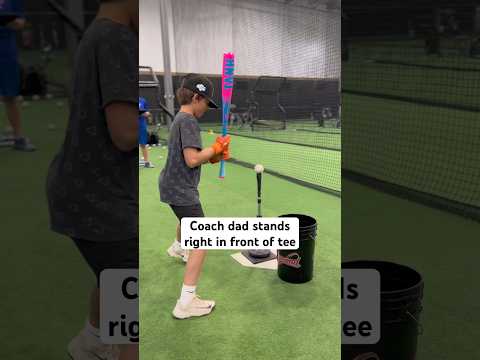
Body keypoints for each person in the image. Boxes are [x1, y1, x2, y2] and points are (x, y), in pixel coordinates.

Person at [46, 1, 139, 359]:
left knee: (113, 271)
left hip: (80, 189)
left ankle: (93, 342)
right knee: (133, 300)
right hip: (99, 200)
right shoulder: (117, 39)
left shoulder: (97, 32)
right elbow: (125, 134)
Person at [159, 74, 230, 319]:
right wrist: (215, 148)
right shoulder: (188, 120)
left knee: (187, 221)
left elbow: (193, 157)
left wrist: (216, 155)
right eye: (205, 103)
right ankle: (185, 303)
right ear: (196, 97)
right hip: (180, 188)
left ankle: (178, 247)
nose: (205, 109)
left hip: (171, 185)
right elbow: (191, 160)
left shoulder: (181, 118)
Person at [0, 0, 35, 151]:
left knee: (10, 95)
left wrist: (8, 22)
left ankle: (19, 138)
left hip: (6, 51)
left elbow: (20, 22)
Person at [138, 97, 154, 168]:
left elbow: (148, 113)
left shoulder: (142, 100)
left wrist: (144, 113)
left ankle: (146, 162)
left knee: (143, 143)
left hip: (141, 124)